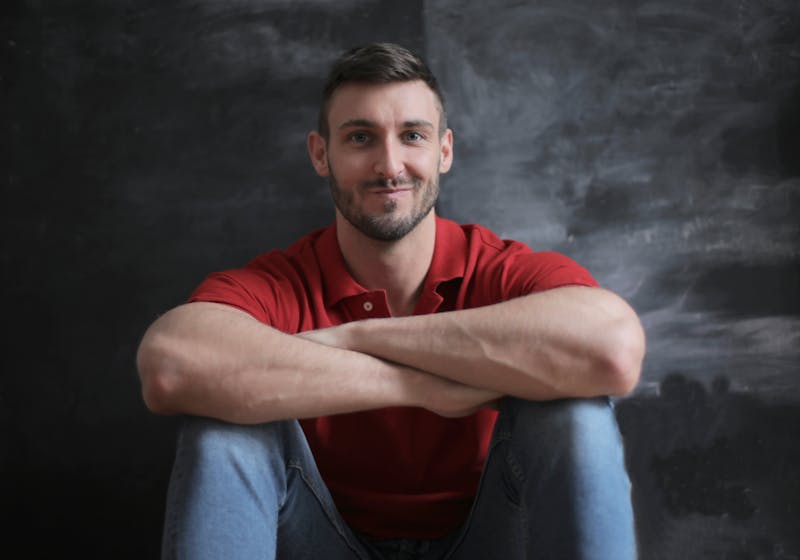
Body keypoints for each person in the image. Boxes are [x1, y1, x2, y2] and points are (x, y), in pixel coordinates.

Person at [136, 42, 646, 560]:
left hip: (489, 539)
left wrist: (357, 337)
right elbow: (171, 366)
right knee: (222, 427)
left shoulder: (496, 267)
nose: (389, 164)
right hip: (320, 542)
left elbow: (613, 350)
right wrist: (425, 386)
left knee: (575, 412)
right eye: (361, 137)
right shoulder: (282, 280)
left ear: (444, 151)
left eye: (412, 136)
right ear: (320, 153)